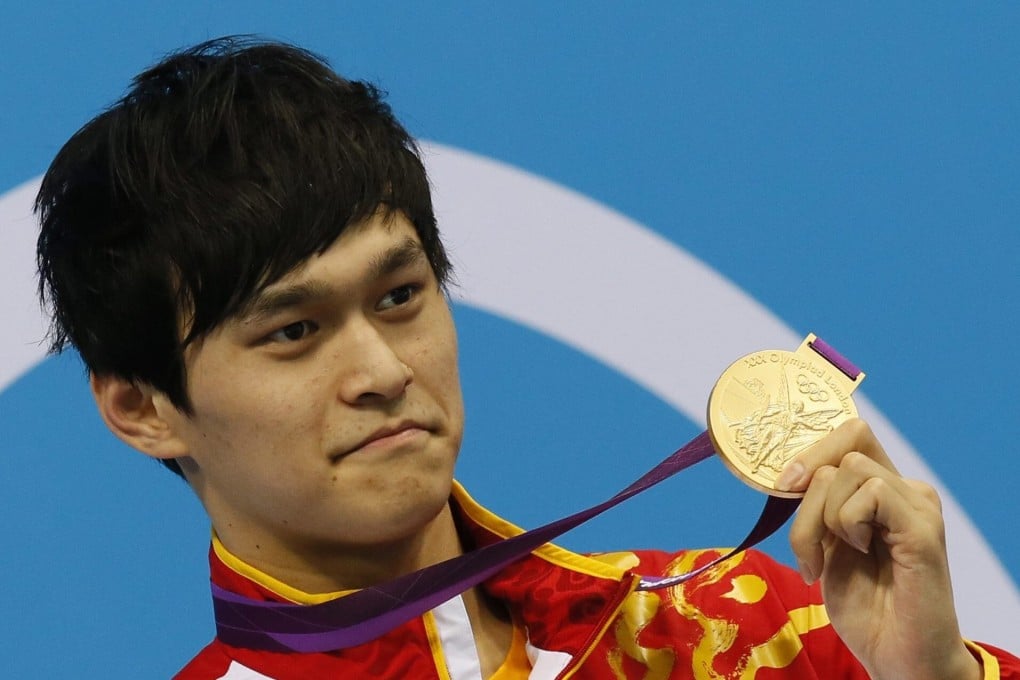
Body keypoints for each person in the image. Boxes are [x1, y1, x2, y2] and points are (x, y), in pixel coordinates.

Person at [35, 36, 1018, 680]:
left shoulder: (739, 638)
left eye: (400, 295)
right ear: (139, 406)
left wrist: (931, 675)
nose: (382, 367)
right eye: (293, 330)